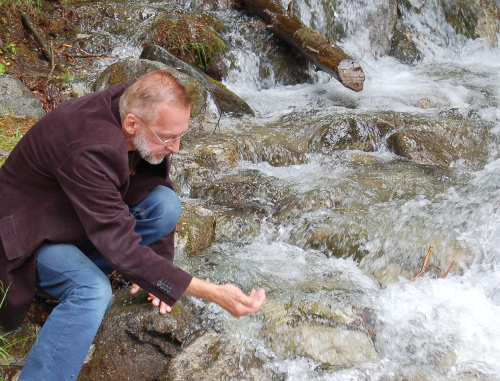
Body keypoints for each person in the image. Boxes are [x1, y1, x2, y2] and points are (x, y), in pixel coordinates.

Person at [0, 70, 266, 380]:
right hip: (31, 240)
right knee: (93, 292)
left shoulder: (135, 105)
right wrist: (209, 291)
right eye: (168, 138)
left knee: (166, 205)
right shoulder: (88, 147)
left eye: (181, 134)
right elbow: (120, 244)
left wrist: (158, 274)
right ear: (131, 124)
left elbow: (154, 185)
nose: (176, 147)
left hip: (76, 221)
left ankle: (88, 270)